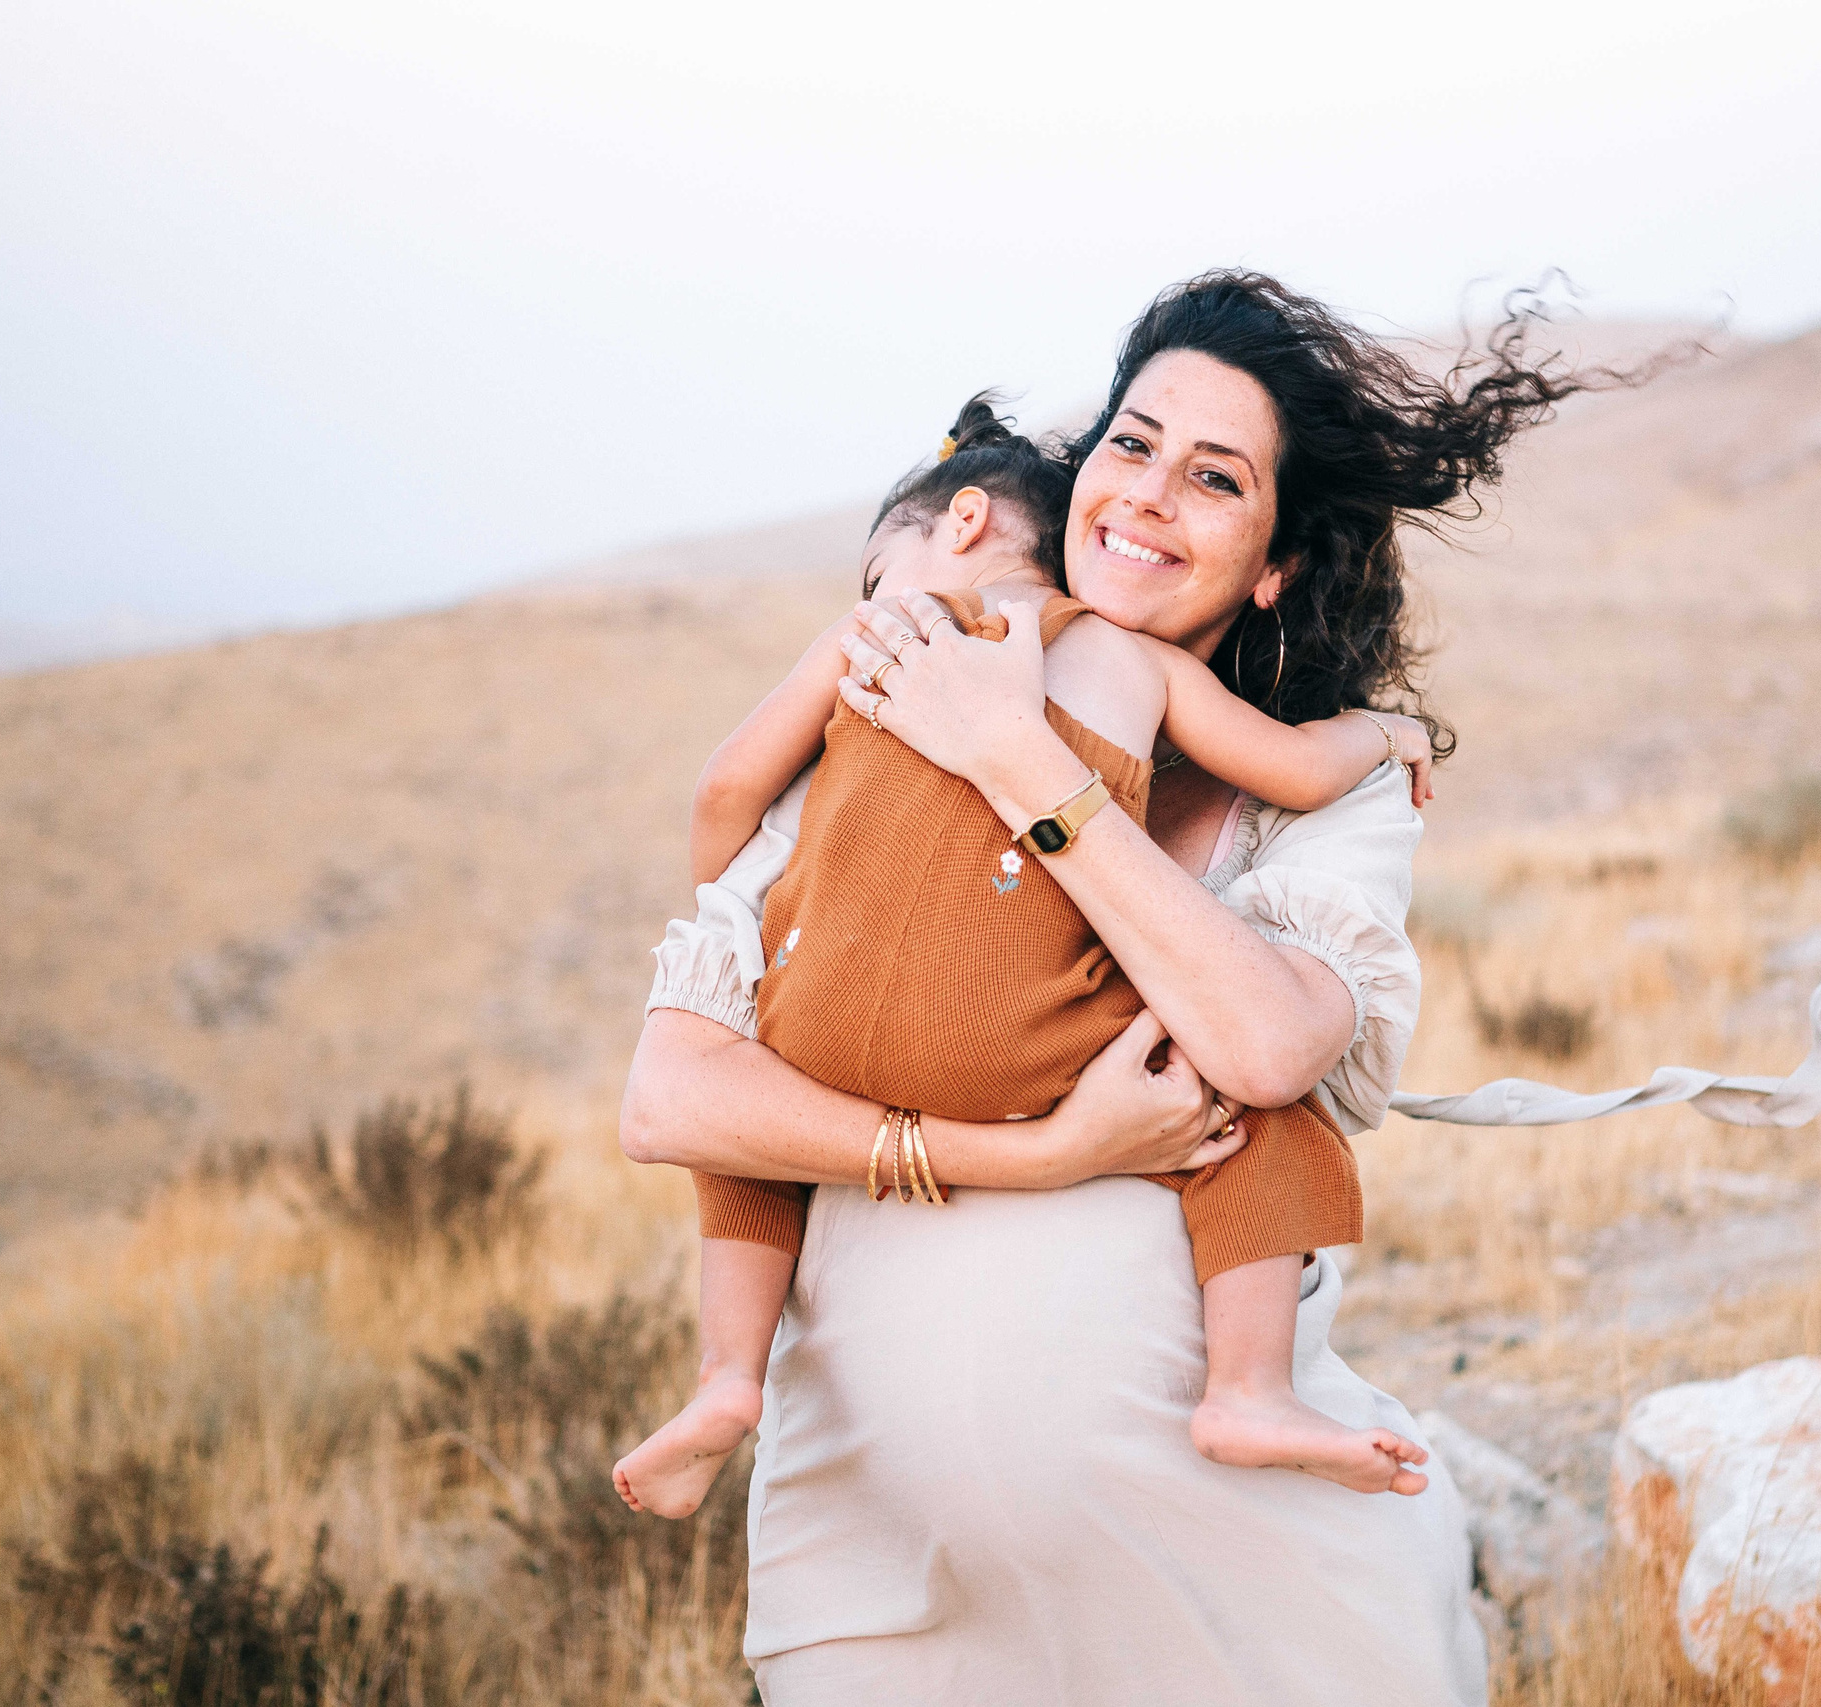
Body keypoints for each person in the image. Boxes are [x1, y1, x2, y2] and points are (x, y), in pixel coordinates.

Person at [620, 271, 1591, 1705]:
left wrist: (1022, 760)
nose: (1146, 494)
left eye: (1213, 477)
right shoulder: (891, 698)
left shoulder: (1315, 808)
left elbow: (1264, 1043)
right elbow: (676, 1086)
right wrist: (1042, 1154)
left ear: (1272, 563)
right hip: (893, 1580)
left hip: (1232, 1587)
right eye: (1130, 445)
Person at [611, 392, 1438, 1522]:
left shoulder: (868, 647)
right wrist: (1386, 734)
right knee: (1253, 1111)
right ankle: (1248, 1390)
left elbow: (720, 797)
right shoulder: (1131, 662)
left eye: (872, 574)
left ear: (957, 524)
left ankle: (724, 1378)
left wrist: (743, 887)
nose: (872, 607)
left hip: (816, 1028)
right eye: (1135, 448)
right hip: (1008, 1043)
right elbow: (1293, 767)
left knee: (748, 1122)